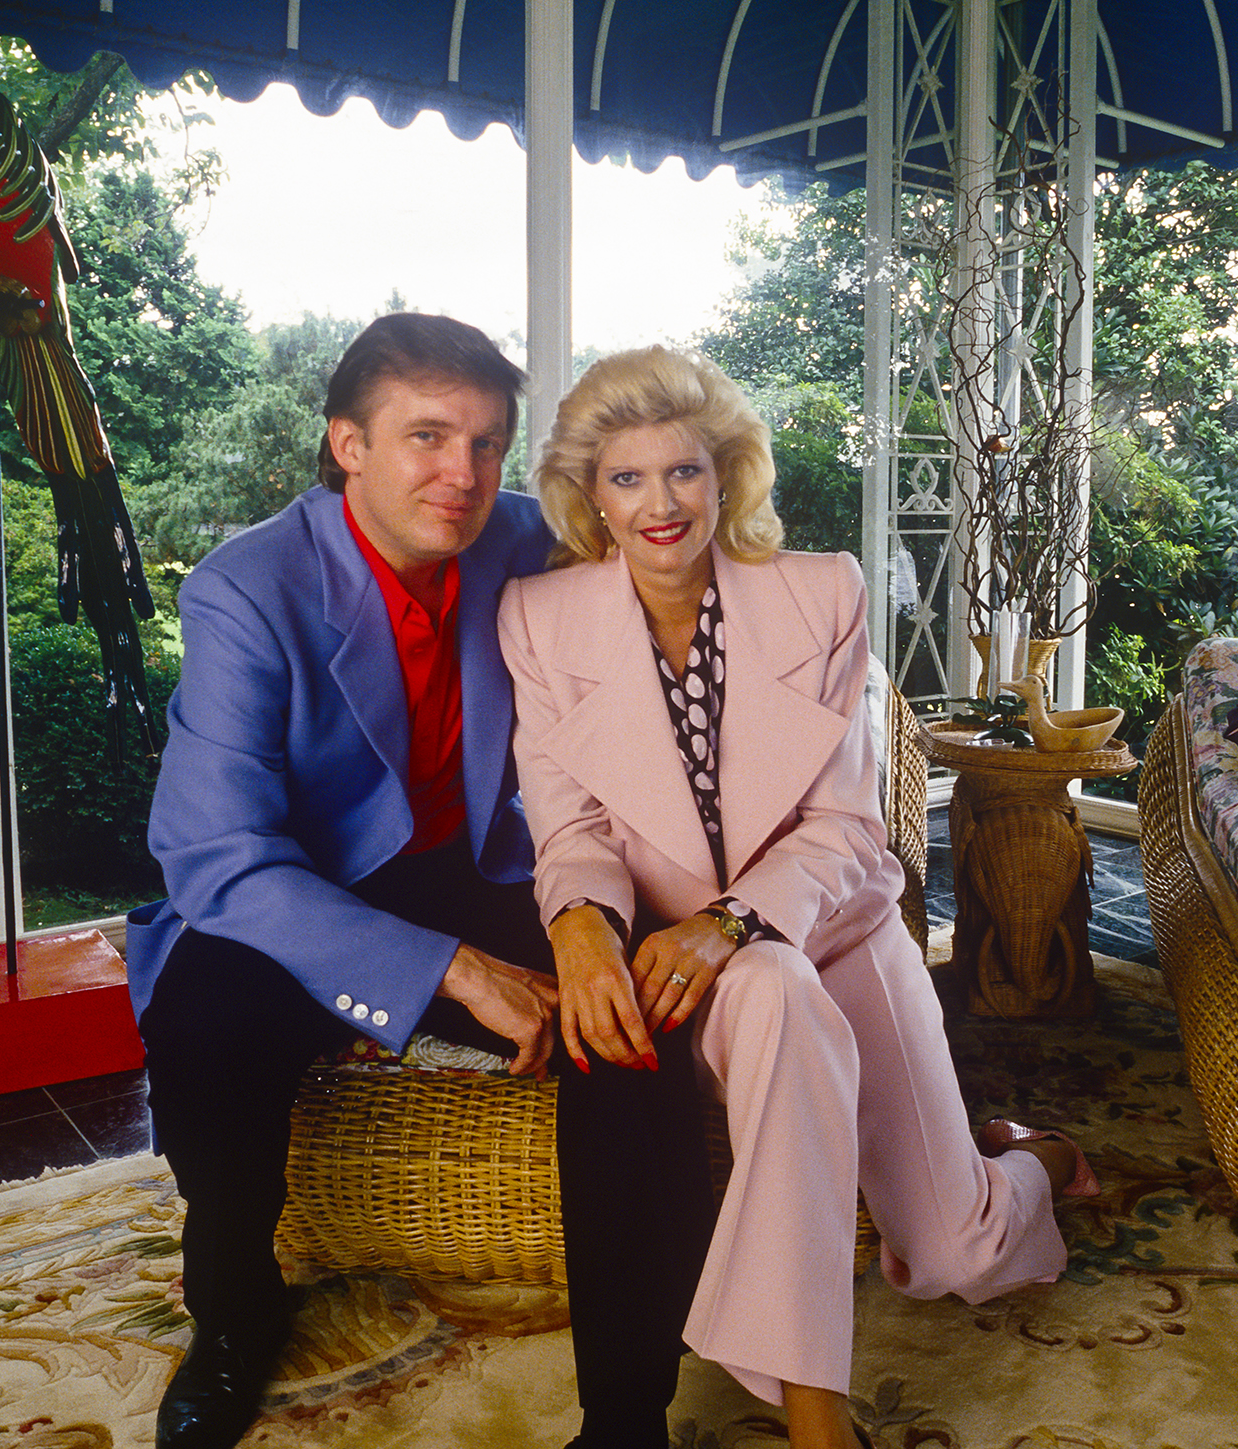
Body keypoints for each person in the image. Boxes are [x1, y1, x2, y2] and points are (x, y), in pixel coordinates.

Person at [128, 313, 713, 1449]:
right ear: (347, 443)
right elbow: (216, 858)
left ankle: (629, 1408)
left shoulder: (533, 543)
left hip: (483, 862)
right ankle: (235, 1317)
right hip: (307, 886)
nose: (465, 475)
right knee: (203, 1019)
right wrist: (451, 972)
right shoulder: (246, 591)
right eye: (429, 438)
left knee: (627, 1007)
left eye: (489, 444)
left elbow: (694, 568)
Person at [498, 345, 1097, 1449]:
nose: (661, 503)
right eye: (627, 480)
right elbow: (572, 829)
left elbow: (846, 829)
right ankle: (819, 1412)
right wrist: (582, 930)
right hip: (691, 955)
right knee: (764, 991)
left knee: (958, 1255)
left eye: (683, 471)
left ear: (725, 474)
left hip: (836, 926)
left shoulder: (820, 592)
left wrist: (734, 923)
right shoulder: (539, 620)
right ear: (590, 498)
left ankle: (1041, 1158)